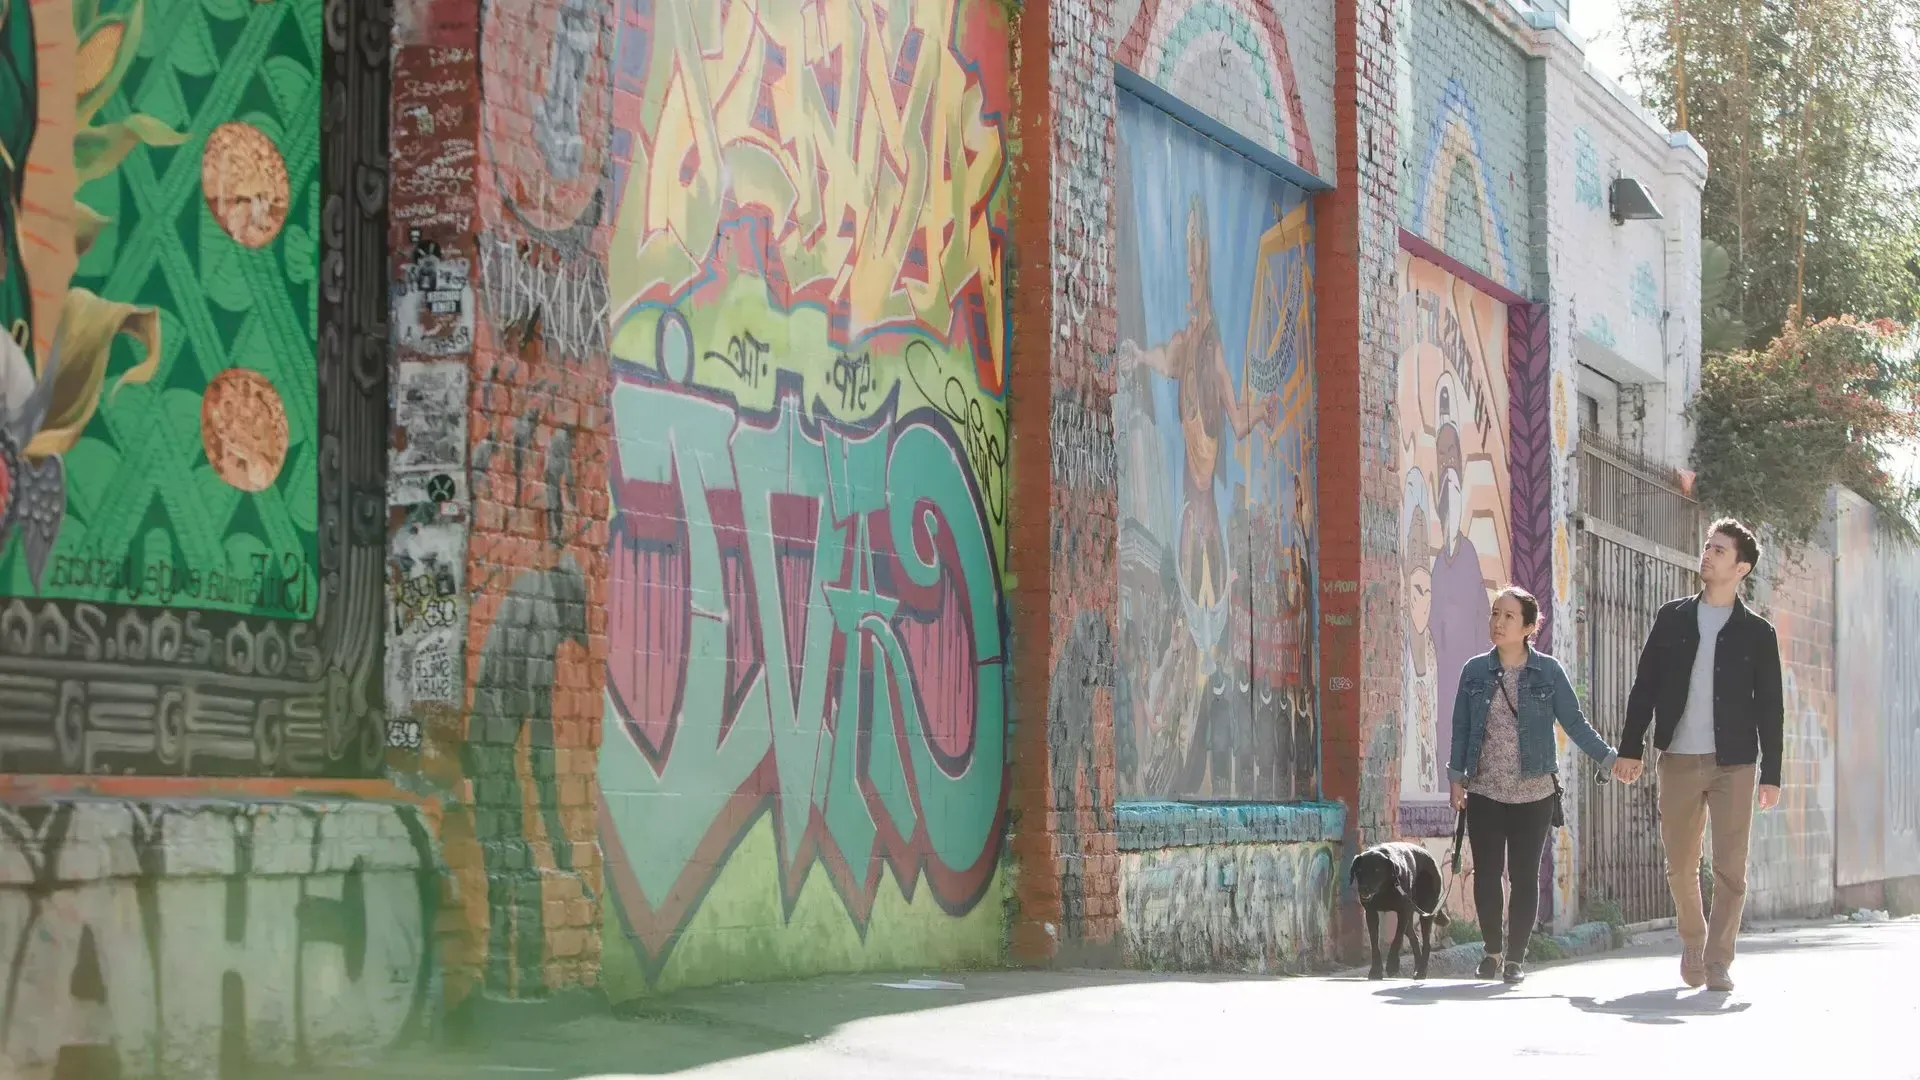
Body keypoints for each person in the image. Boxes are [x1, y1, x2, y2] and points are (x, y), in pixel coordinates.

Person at [1610, 518, 1783, 994]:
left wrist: (1772, 774)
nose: (1707, 554)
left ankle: (1719, 960)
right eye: (1708, 546)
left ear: (1741, 566)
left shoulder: (1757, 633)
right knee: (1681, 861)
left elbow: (1771, 707)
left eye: (1720, 550)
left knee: (1731, 867)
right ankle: (1693, 939)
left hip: (1735, 762)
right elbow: (1644, 686)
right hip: (1679, 757)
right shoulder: (1673, 618)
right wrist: (1630, 748)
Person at [1448, 586, 1618, 985]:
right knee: (1487, 874)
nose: (1498, 622)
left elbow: (1574, 723)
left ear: (1528, 626)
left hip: (1535, 792)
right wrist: (1457, 780)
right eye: (1494, 613)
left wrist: (1608, 757)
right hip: (1485, 790)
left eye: (1508, 616)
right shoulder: (1474, 671)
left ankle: (1515, 960)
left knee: (1524, 877)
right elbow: (1461, 728)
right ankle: (1491, 952)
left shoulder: (1548, 672)